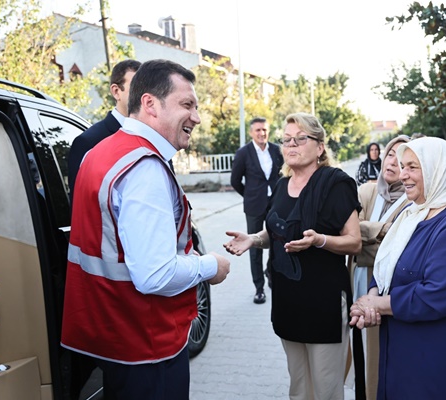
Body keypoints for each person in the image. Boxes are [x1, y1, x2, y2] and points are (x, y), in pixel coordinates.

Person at [61, 59, 231, 400]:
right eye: (187, 105)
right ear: (150, 104)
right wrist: (211, 265)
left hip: (116, 338)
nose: (196, 117)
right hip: (147, 345)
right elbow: (154, 275)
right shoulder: (144, 167)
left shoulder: (102, 152)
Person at [224, 112, 361, 400]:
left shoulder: (335, 183)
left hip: (323, 303)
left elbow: (354, 242)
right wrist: (252, 239)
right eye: (286, 140)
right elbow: (274, 233)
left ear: (320, 147)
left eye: (300, 139)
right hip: (288, 301)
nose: (291, 145)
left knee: (326, 390)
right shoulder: (282, 185)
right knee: (298, 388)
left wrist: (319, 240)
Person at [350, 137, 446, 399]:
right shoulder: (413, 214)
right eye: (402, 166)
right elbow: (388, 266)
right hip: (402, 354)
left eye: (413, 167)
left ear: (437, 170)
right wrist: (372, 295)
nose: (403, 175)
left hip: (437, 362)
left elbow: (438, 294)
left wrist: (377, 305)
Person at [350, 134, 411, 400]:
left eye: (402, 159)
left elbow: (399, 246)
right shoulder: (367, 191)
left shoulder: (413, 202)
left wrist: (362, 236)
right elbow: (349, 233)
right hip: (354, 280)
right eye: (389, 154)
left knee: (377, 352)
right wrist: (381, 232)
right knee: (355, 346)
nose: (392, 162)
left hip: (385, 290)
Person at [67, 59, 141, 199]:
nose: (143, 96)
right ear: (116, 91)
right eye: (136, 88)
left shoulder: (155, 138)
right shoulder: (88, 143)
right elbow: (81, 208)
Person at [230, 117, 284, 303]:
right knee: (254, 245)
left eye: (265, 130)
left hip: (276, 203)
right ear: (252, 132)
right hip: (254, 206)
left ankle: (270, 272)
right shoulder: (243, 153)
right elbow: (235, 181)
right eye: (258, 130)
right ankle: (259, 288)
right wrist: (249, 195)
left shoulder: (277, 150)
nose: (262, 133)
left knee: (278, 241)